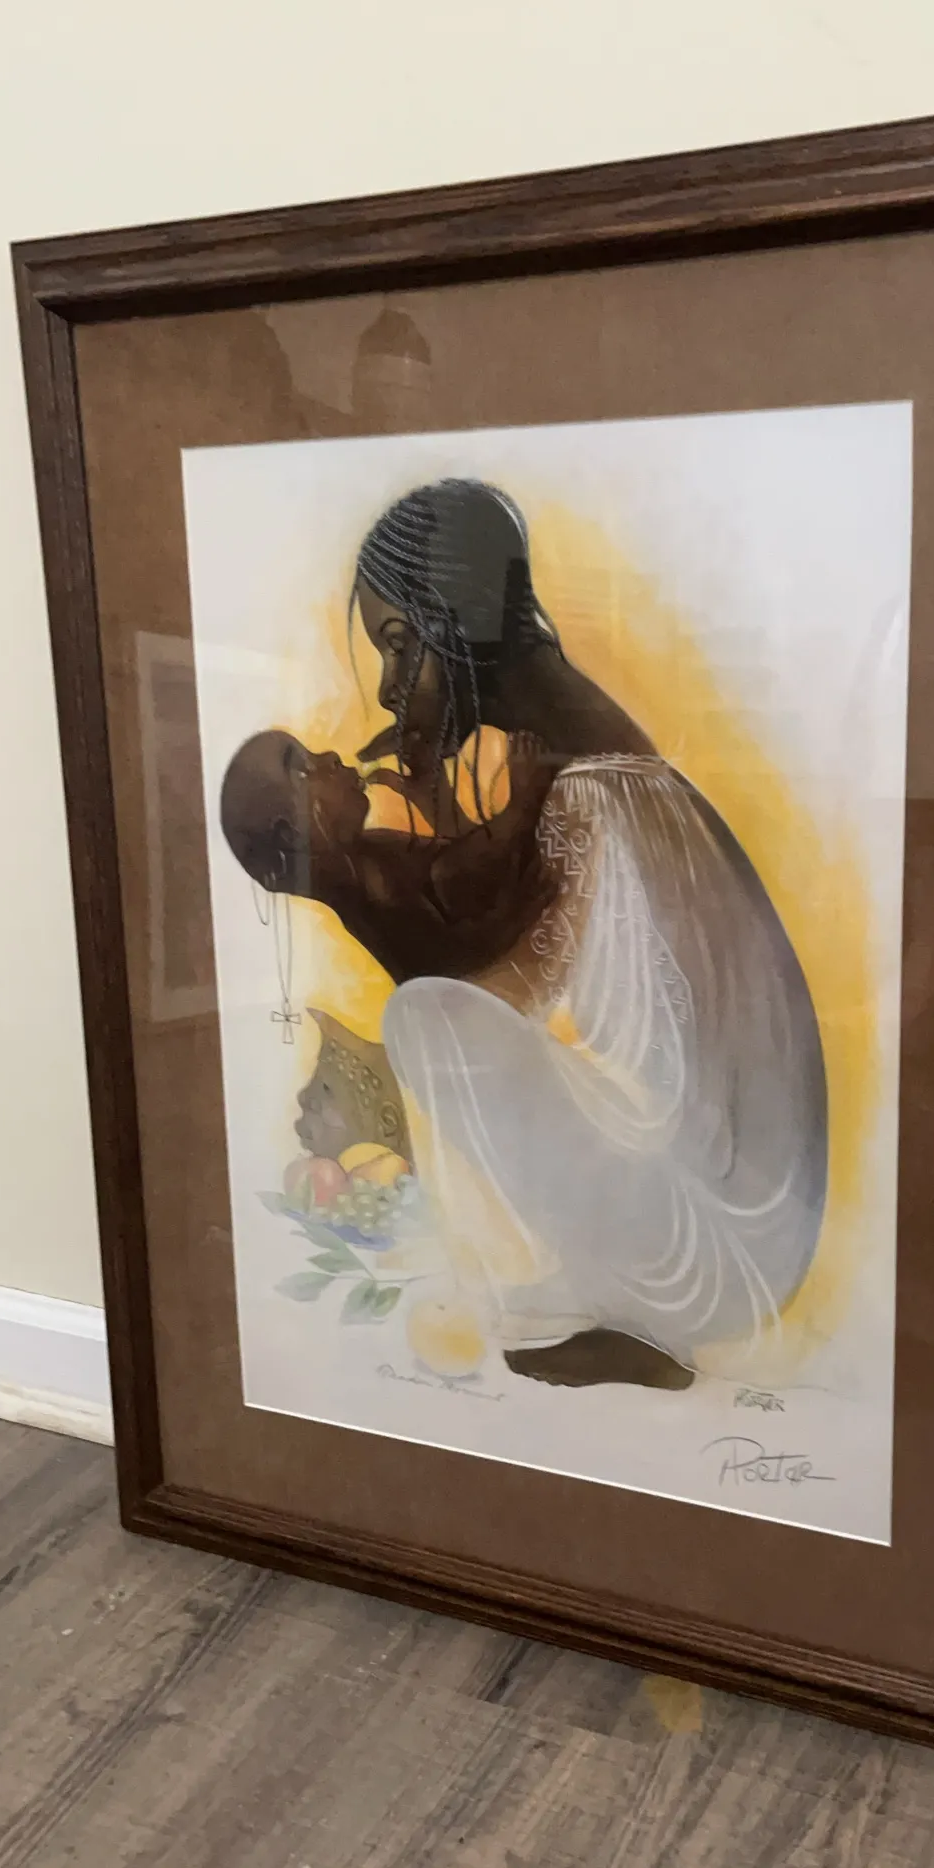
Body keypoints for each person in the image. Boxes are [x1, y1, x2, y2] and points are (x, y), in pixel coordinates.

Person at [349, 476, 828, 1393]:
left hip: (717, 1243)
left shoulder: (586, 789)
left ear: (455, 625)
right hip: (745, 1211)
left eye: (400, 646)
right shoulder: (605, 758)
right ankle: (600, 1288)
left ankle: (624, 1318)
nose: (384, 687)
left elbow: (525, 1002)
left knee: (424, 1019)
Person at [219, 728, 557, 987]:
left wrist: (434, 796)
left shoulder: (371, 851)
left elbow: (467, 860)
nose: (330, 756)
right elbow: (469, 960)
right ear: (292, 835)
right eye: (303, 768)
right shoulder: (376, 898)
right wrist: (523, 806)